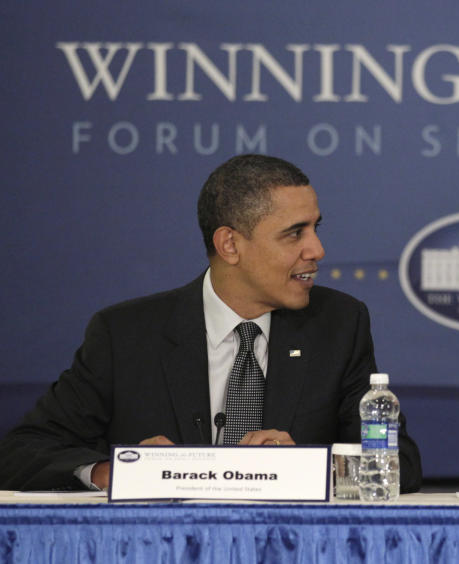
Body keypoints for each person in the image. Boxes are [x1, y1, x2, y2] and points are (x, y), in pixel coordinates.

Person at [0, 154, 422, 492]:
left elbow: (397, 462)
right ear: (230, 244)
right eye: (295, 233)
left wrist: (305, 467)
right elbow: (23, 453)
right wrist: (109, 473)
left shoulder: (339, 324)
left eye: (315, 228)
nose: (318, 249)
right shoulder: (125, 334)